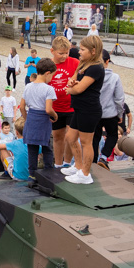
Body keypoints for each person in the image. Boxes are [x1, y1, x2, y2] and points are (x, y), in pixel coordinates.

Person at [61, 35, 105, 185]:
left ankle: (85, 174)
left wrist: (70, 88)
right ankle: (78, 166)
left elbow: (78, 89)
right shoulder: (83, 64)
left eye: (83, 49)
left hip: (89, 110)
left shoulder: (96, 68)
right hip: (80, 108)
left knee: (86, 142)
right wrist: (71, 84)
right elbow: (72, 80)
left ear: (93, 51)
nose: (79, 51)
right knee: (71, 137)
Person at [47, 36, 79, 169]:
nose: (64, 56)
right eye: (61, 53)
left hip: (71, 107)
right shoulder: (48, 65)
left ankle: (67, 163)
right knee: (57, 137)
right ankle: (58, 164)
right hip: (55, 108)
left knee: (71, 137)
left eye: (67, 53)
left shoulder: (75, 63)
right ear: (52, 51)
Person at [92, 50, 125, 170]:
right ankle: (104, 157)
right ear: (107, 62)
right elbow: (119, 98)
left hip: (95, 111)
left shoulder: (91, 76)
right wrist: (120, 113)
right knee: (112, 135)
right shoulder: (115, 77)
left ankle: (93, 160)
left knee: (95, 137)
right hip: (110, 113)